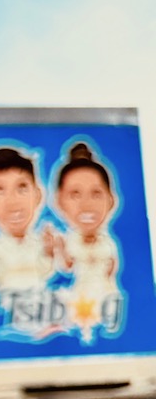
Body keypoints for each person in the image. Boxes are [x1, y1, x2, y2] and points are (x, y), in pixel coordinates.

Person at [50, 142, 120, 340]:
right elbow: (68, 266)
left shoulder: (108, 242)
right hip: (81, 289)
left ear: (111, 200)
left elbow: (112, 266)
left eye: (96, 194)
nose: (86, 204)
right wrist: (58, 249)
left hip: (106, 290)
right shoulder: (69, 240)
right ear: (59, 202)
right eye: (75, 195)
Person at [0, 146, 55, 294]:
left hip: (41, 303)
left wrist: (48, 252)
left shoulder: (37, 243)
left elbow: (46, 271)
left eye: (22, 188)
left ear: (38, 195)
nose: (12, 202)